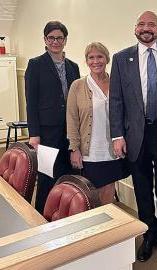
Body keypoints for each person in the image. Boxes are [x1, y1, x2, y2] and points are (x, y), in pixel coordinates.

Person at [109, 11, 157, 264]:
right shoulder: (120, 58)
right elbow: (115, 101)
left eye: (151, 24)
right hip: (136, 134)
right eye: (142, 24)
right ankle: (148, 235)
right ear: (135, 28)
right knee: (142, 188)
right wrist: (117, 135)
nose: (146, 28)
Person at [25, 21, 80, 213]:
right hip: (47, 133)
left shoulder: (73, 67)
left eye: (59, 38)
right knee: (47, 176)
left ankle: (65, 216)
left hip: (70, 131)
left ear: (65, 40)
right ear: (45, 40)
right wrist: (34, 134)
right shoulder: (35, 64)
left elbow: (76, 101)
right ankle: (41, 217)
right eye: (51, 38)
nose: (55, 41)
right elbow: (30, 102)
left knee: (67, 176)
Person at [66, 42, 128, 204]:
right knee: (91, 195)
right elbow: (71, 119)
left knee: (108, 192)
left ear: (107, 59)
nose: (96, 61)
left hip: (113, 149)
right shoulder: (78, 86)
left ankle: (106, 227)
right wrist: (74, 148)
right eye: (91, 57)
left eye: (100, 56)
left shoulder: (117, 82)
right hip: (90, 151)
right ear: (86, 61)